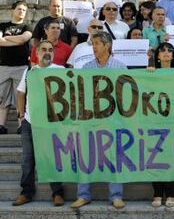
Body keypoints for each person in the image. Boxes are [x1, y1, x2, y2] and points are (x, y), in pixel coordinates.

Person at [70, 31, 126, 210]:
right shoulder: (86, 68)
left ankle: (116, 196)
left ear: (107, 46)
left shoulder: (120, 67)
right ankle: (83, 195)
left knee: (115, 158)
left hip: (113, 120)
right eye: (92, 44)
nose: (93, 47)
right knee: (86, 157)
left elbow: (125, 96)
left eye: (96, 44)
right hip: (90, 120)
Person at [12, 40, 65, 207]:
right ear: (37, 52)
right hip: (30, 121)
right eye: (44, 49)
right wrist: (21, 116)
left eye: (50, 49)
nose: (47, 52)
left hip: (52, 123)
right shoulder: (29, 71)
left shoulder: (61, 71)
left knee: (52, 158)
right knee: (27, 159)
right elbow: (21, 94)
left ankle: (57, 193)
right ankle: (26, 192)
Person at [147, 42, 174, 208]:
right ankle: (157, 193)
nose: (166, 53)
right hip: (155, 121)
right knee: (155, 156)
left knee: (172, 157)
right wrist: (149, 73)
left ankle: (171, 194)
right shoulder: (149, 73)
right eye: (163, 51)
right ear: (157, 56)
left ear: (173, 56)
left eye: (170, 51)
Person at [0, 1, 32, 134]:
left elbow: (23, 39)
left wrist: (7, 39)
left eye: (24, 10)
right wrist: (15, 40)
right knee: (1, 97)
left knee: (21, 96)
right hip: (3, 66)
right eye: (19, 9)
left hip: (21, 66)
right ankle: (1, 125)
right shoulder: (2, 25)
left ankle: (21, 125)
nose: (21, 12)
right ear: (12, 10)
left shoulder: (27, 26)